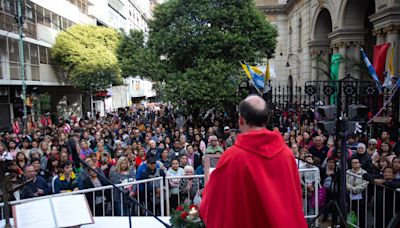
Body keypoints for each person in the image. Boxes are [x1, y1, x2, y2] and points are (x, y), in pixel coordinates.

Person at [200, 95, 307, 228]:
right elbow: (294, 199)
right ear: (267, 119)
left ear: (240, 120)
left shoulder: (231, 157)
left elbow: (211, 203)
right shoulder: (286, 154)